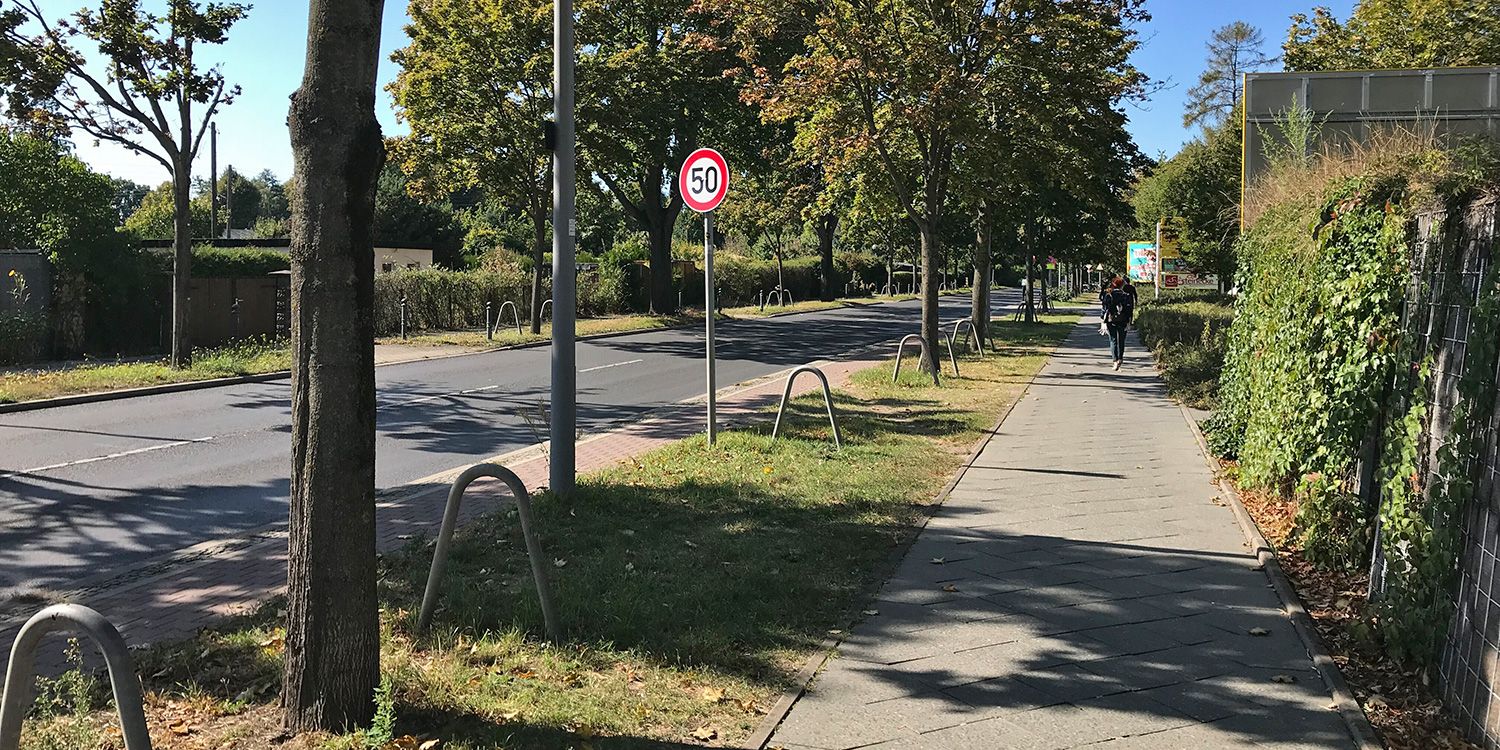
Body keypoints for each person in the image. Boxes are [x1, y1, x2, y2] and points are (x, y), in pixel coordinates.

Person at [1102, 276, 1133, 370]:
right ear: (1122, 285)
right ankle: (1120, 358)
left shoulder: (1108, 295)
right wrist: (1129, 321)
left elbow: (1104, 309)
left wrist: (1103, 321)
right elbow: (1129, 309)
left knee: (1113, 340)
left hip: (1111, 320)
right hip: (1123, 320)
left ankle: (1115, 361)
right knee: (1121, 341)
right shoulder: (1126, 296)